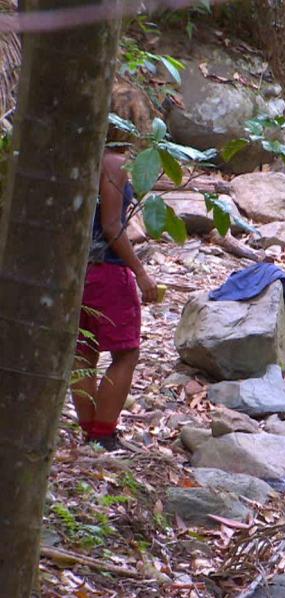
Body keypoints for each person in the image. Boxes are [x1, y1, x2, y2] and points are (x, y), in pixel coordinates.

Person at [71, 131, 158, 451]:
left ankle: (91, 430)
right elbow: (111, 225)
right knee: (126, 352)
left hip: (79, 270)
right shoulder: (114, 162)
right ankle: (102, 434)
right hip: (107, 269)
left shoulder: (84, 159)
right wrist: (141, 273)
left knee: (84, 350)